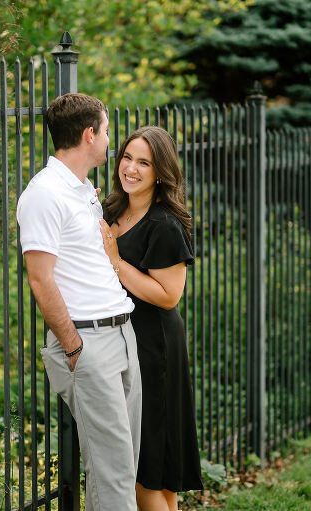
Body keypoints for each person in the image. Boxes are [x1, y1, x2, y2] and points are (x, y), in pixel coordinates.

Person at [16, 93, 142, 511]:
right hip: (88, 343)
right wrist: (73, 346)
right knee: (113, 472)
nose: (110, 140)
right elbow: (40, 277)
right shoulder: (45, 193)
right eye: (106, 131)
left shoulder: (83, 187)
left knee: (123, 464)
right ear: (89, 134)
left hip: (121, 333)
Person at [99, 126, 204, 511]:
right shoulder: (113, 209)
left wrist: (115, 261)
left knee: (145, 473)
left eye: (143, 162)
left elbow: (169, 295)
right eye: (127, 157)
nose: (131, 168)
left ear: (160, 171)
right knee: (156, 471)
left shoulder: (165, 224)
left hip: (153, 347)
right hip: (122, 341)